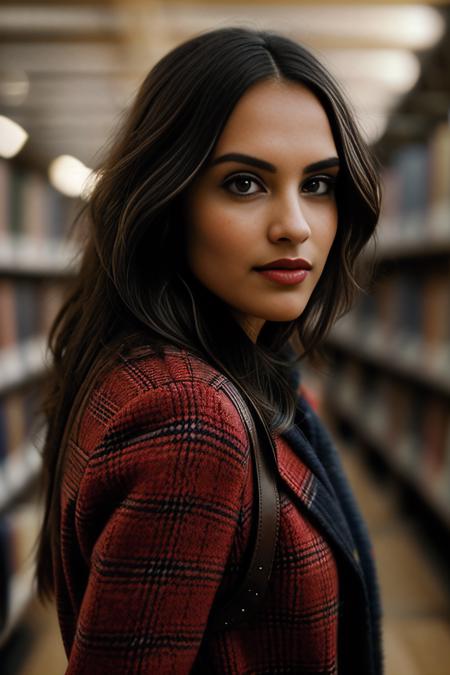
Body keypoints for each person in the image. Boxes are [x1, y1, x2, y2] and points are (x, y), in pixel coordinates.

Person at [35, 26, 383, 674]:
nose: (296, 226)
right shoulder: (189, 420)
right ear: (167, 199)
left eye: (319, 184)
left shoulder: (152, 365)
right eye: (245, 184)